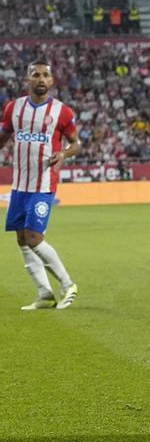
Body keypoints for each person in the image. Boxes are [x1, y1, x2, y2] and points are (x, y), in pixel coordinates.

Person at [0, 60, 81, 310]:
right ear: (28, 80)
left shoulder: (62, 112)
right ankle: (44, 293)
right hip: (20, 185)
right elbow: (3, 136)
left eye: (45, 75)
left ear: (52, 81)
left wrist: (64, 155)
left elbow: (75, 143)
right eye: (35, 74)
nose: (40, 79)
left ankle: (68, 285)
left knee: (34, 237)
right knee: (22, 239)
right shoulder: (13, 108)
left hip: (43, 185)